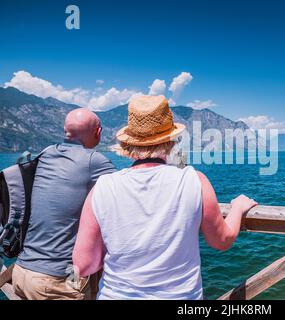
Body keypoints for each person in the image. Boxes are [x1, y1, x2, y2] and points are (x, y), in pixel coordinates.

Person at [73, 95, 257, 300]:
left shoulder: (103, 187)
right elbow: (221, 241)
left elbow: (83, 265)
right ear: (171, 139)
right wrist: (238, 208)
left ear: (129, 142)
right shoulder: (193, 180)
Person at [12, 108, 116, 300]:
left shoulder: (46, 153)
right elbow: (129, 192)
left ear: (65, 131)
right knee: (82, 283)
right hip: (56, 280)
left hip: (21, 270)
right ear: (98, 132)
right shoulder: (94, 160)